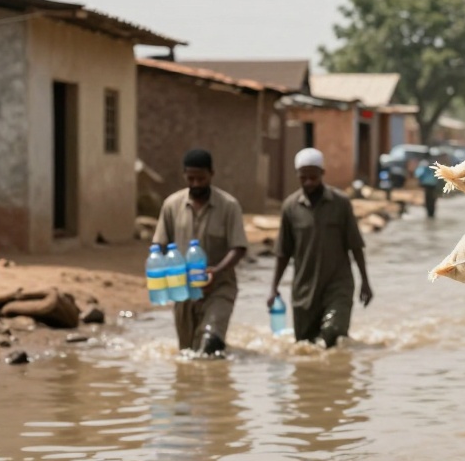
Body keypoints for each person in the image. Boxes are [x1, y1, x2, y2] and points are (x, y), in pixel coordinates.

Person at [267, 148, 374, 347]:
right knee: (305, 344)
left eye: (313, 177)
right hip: (304, 289)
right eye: (303, 178)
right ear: (297, 176)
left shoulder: (340, 203)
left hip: (337, 284)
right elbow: (283, 252)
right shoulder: (290, 207)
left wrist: (365, 282)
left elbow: (356, 246)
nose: (308, 182)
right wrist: (273, 288)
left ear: (322, 174)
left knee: (332, 332)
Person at [153, 148, 248, 355]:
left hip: (219, 288)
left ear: (212, 174)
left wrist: (217, 271)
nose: (196, 184)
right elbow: (160, 245)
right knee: (187, 353)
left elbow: (239, 248)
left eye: (201, 179)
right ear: (185, 175)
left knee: (210, 343)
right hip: (184, 291)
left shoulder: (229, 206)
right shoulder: (171, 206)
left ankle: (217, 384)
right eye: (191, 178)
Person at [415, 154, 441, 218]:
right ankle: (432, 213)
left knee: (428, 198)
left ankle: (429, 213)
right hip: (434, 184)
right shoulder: (435, 164)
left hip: (426, 184)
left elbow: (418, 173)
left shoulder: (423, 164)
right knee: (433, 198)